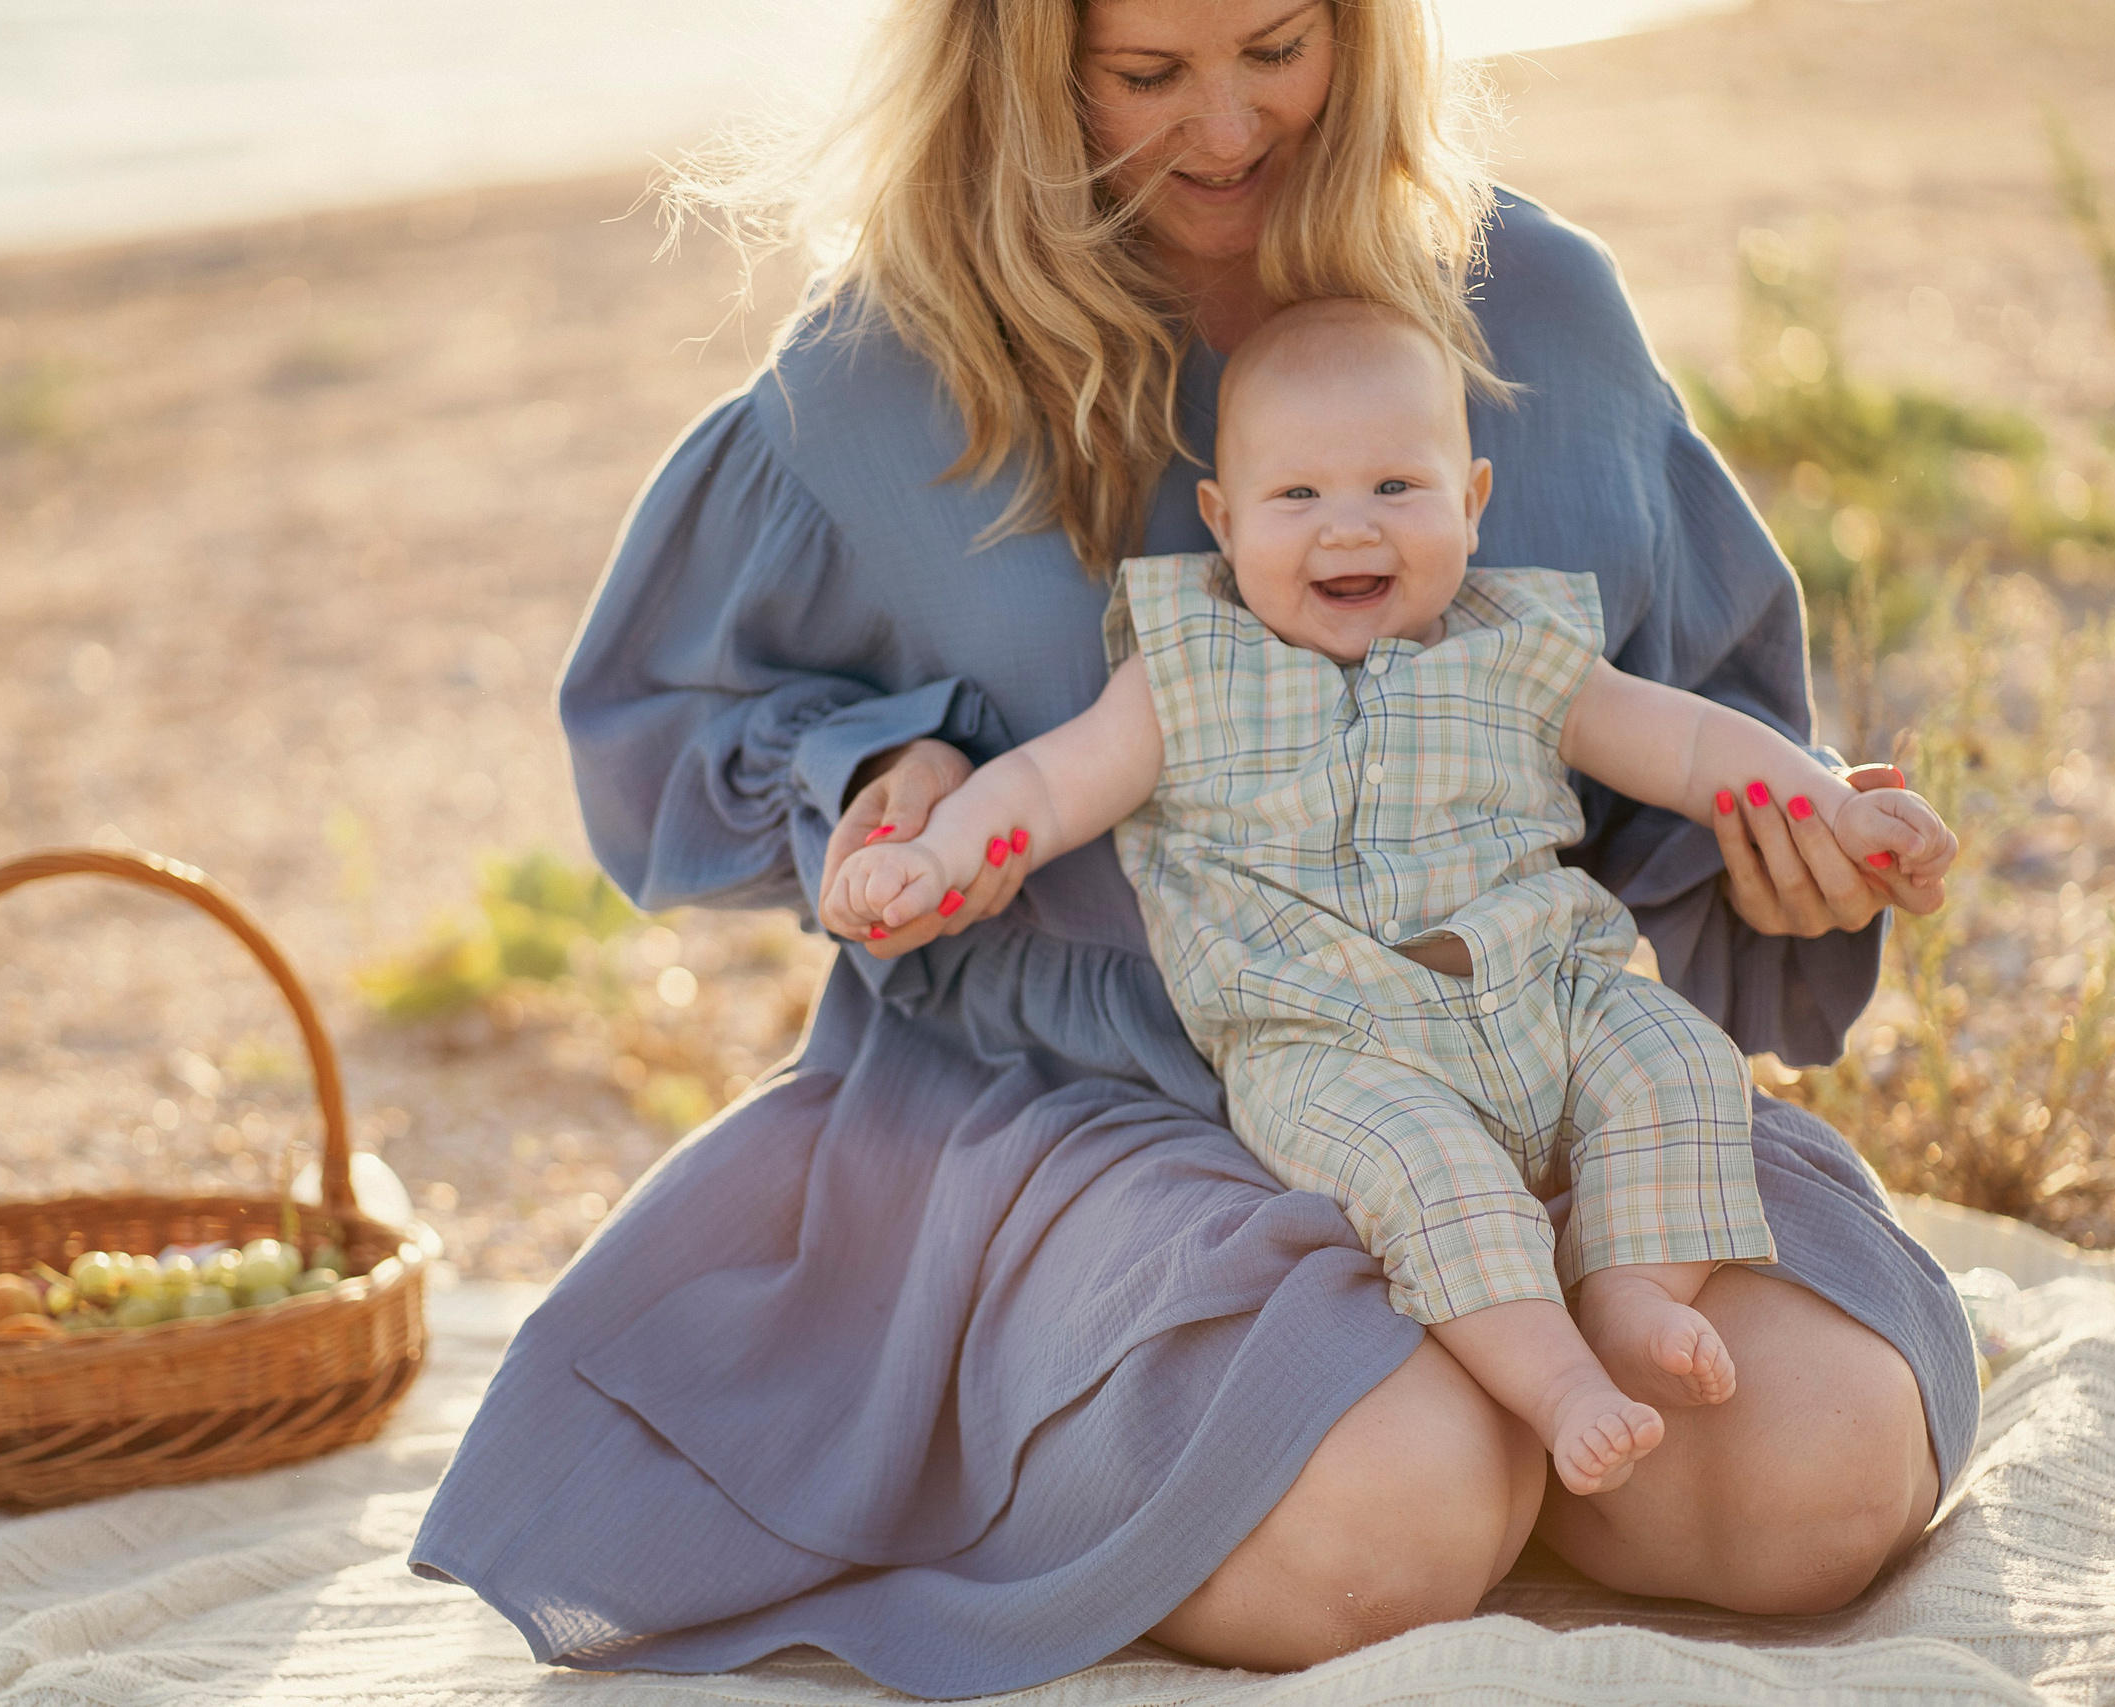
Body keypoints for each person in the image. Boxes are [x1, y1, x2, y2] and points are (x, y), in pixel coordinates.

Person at [410, 0, 1980, 1692]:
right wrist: (882, 771)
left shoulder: (1537, 312)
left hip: (1510, 1041)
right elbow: (668, 731)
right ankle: (1382, 1448)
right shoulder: (880, 372)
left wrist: (1787, 842)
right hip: (1082, 1097)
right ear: (1013, 56)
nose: (1227, 128)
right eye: (1144, 74)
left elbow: (1678, 721)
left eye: (1277, 46)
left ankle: (1482, 1405)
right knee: (1393, 1530)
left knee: (1826, 1485)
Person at [825, 299, 1959, 1498]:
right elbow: (1051, 787)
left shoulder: (1522, 649)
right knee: (1426, 1171)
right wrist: (941, 854)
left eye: (1393, 488)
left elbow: (1686, 747)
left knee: (1676, 1060)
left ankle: (1634, 1288)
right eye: (1296, 497)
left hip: (1547, 992)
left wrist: (1828, 805)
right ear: (1221, 520)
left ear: (1471, 500)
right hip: (1324, 1041)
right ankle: (1557, 1382)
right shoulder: (1184, 671)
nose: (1346, 528)